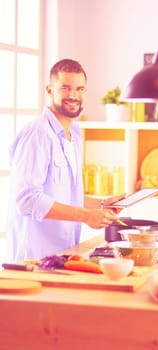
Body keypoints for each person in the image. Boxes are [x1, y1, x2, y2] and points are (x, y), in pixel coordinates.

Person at [6, 58, 124, 262]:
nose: (73, 95)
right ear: (49, 90)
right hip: (33, 261)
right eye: (65, 88)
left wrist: (100, 204)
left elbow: (61, 194)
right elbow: (27, 200)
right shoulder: (38, 134)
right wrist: (85, 216)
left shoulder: (74, 134)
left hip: (62, 254)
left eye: (79, 89)